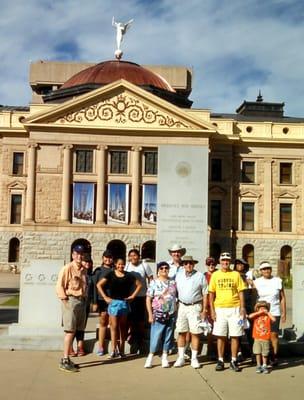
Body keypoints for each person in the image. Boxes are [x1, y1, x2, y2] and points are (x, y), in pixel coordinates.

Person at [97, 258, 142, 358]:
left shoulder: (129, 275)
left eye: (122, 264)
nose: (121, 266)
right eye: (119, 264)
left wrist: (133, 296)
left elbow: (139, 285)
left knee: (123, 327)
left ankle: (121, 350)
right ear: (116, 264)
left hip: (124, 303)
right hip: (113, 303)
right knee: (114, 326)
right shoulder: (111, 274)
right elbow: (99, 285)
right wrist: (105, 297)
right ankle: (113, 350)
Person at [209, 252, 246, 372]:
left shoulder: (235, 274)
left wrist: (242, 307)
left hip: (234, 308)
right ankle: (220, 360)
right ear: (220, 262)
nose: (225, 262)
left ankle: (234, 360)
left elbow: (241, 292)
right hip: (220, 308)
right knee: (221, 336)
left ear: (230, 262)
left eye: (227, 260)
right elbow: (211, 294)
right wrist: (212, 311)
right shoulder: (215, 275)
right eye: (223, 260)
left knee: (235, 335)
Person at [56, 244, 87, 372]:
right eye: (77, 254)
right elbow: (59, 285)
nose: (79, 256)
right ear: (73, 255)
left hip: (81, 301)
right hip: (71, 301)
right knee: (69, 331)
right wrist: (64, 300)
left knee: (76, 330)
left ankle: (67, 358)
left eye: (81, 254)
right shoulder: (67, 268)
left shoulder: (84, 270)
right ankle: (64, 359)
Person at [174, 255, 208, 369]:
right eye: (186, 263)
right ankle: (181, 357)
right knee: (181, 332)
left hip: (195, 307)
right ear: (183, 265)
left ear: (193, 264)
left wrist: (204, 309)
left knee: (195, 333)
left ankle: (194, 358)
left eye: (190, 263)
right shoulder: (178, 276)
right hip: (182, 306)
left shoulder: (200, 276)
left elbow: (205, 293)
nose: (188, 265)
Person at [144, 261, 177, 368]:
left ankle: (165, 357)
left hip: (171, 313)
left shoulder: (172, 283)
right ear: (158, 271)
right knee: (155, 336)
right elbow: (148, 299)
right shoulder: (153, 283)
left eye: (166, 268)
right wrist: (149, 314)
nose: (164, 270)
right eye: (161, 268)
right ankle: (150, 357)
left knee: (168, 336)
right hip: (158, 314)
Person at [253, 261, 286, 366]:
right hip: (261, 314)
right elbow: (254, 298)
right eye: (264, 269)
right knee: (262, 336)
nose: (266, 270)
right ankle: (264, 358)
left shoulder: (278, 281)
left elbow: (282, 298)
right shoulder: (257, 282)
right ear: (261, 271)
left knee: (273, 335)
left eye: (268, 268)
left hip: (274, 311)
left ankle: (274, 357)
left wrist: (284, 312)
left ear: (271, 270)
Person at [125, 248, 153, 354]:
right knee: (131, 320)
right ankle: (133, 342)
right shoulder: (127, 266)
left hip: (142, 296)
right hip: (130, 297)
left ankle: (140, 342)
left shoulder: (144, 265)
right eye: (131, 255)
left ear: (139, 256)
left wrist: (150, 291)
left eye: (135, 255)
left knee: (141, 321)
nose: (133, 257)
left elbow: (150, 278)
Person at [69, 254, 94, 357]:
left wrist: (93, 302)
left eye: (89, 262)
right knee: (71, 325)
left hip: (86, 303)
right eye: (85, 262)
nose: (87, 264)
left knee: (81, 327)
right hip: (75, 302)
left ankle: (80, 346)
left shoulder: (91, 275)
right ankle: (70, 347)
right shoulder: (77, 273)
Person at [92, 250, 114, 356]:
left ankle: (114, 347)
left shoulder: (115, 270)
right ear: (103, 258)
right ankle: (101, 346)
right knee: (103, 322)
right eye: (106, 257)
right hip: (101, 300)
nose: (108, 259)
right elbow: (95, 287)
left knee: (113, 322)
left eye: (110, 257)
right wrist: (95, 302)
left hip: (113, 300)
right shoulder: (98, 270)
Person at [233, 258, 255, 362]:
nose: (239, 266)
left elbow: (255, 291)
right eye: (237, 264)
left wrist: (251, 283)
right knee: (237, 330)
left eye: (242, 264)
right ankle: (239, 352)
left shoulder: (248, 277)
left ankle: (254, 353)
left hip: (248, 307)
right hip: (236, 307)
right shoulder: (232, 276)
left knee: (249, 331)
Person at [248, 301, 276, 374]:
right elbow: (249, 316)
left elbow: (274, 320)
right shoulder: (256, 316)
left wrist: (268, 313)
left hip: (265, 338)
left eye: (264, 308)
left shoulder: (268, 317)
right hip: (257, 338)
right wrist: (258, 313)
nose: (262, 310)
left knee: (265, 353)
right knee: (257, 352)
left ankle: (264, 365)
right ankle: (258, 365)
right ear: (257, 309)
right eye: (260, 308)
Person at [204, 257, 217, 359]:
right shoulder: (204, 276)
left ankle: (220, 349)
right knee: (209, 328)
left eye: (213, 264)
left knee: (218, 327)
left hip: (218, 303)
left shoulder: (218, 274)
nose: (211, 266)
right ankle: (210, 347)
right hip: (207, 304)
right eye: (209, 264)